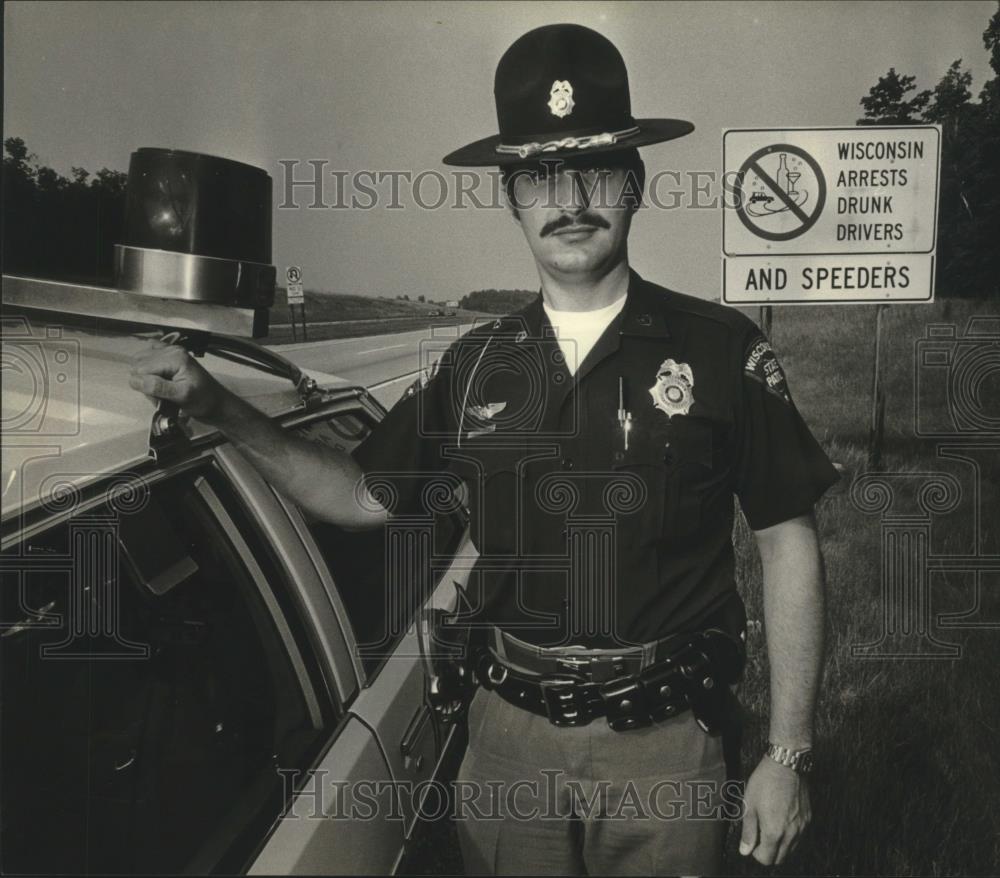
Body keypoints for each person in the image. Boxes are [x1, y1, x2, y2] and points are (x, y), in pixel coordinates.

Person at [130, 23, 838, 876]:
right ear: (510, 197)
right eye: (540, 175)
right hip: (506, 743)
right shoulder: (470, 366)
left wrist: (786, 752)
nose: (569, 198)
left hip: (667, 746)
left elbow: (786, 539)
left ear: (635, 183)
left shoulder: (723, 351)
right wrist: (222, 409)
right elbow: (362, 497)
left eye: (595, 169)